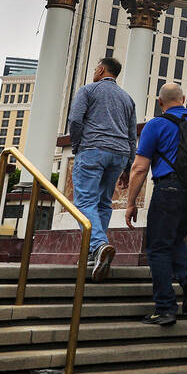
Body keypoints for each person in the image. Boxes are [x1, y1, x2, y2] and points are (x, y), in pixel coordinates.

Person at [125, 82, 187, 326]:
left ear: (160, 102)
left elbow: (139, 168)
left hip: (169, 189)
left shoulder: (156, 124)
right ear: (184, 99)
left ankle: (165, 308)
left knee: (157, 247)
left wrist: (131, 202)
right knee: (174, 239)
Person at [66, 56, 137, 282]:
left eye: (96, 67)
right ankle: (91, 253)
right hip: (119, 154)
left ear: (101, 69)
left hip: (93, 149)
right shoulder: (128, 99)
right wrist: (127, 166)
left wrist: (78, 146)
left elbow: (76, 121)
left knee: (84, 201)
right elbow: (132, 136)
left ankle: (98, 245)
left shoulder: (88, 90)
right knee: (103, 203)